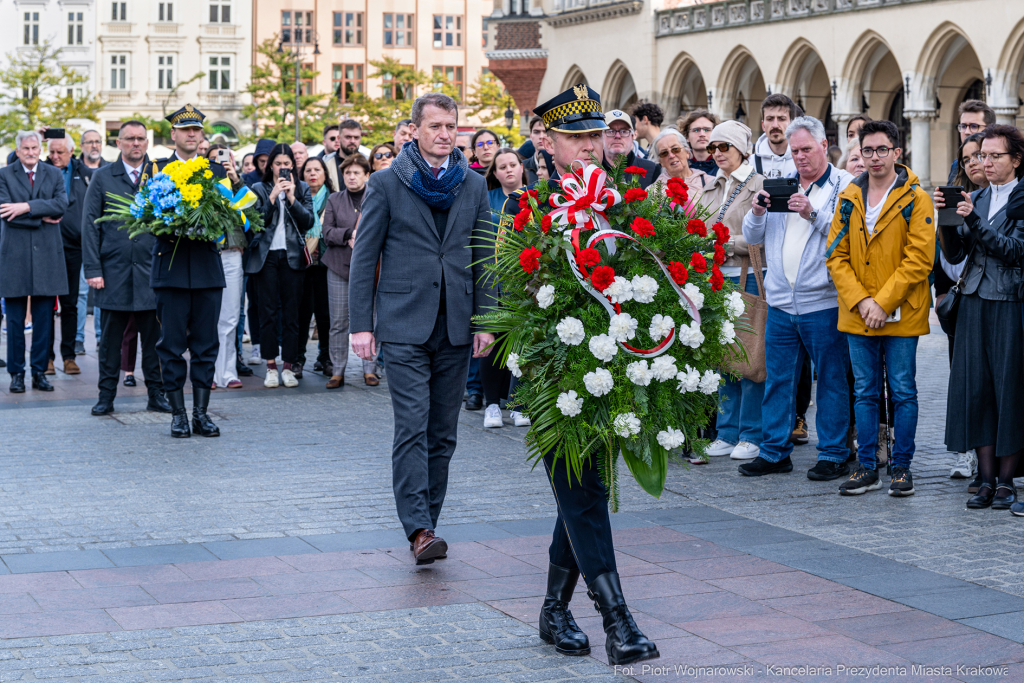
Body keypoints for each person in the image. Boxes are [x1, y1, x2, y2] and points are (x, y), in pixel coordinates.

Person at [498, 84, 659, 667]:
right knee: (585, 490)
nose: (590, 147)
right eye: (577, 137)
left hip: (614, 371)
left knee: (583, 493)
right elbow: (513, 295)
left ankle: (552, 608)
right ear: (549, 140)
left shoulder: (625, 203)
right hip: (556, 374)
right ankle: (618, 621)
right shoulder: (531, 209)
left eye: (596, 135)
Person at [348, 92, 495, 565]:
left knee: (443, 432)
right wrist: (360, 325)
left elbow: (485, 257)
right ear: (414, 130)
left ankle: (428, 520)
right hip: (403, 323)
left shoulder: (471, 184)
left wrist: (486, 321)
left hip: (455, 324)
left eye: (451, 126)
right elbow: (364, 256)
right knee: (412, 425)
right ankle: (418, 529)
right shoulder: (387, 183)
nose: (445, 135)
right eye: (435, 126)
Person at [740, 117, 854, 478]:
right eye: (795, 151)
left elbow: (845, 234)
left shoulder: (845, 184)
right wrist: (757, 211)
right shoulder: (781, 183)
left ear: (824, 144)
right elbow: (752, 235)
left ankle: (834, 453)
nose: (800, 157)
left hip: (823, 301)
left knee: (833, 380)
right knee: (778, 379)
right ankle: (774, 451)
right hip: (780, 301)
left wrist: (811, 212)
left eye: (806, 149)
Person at [827, 119, 934, 497]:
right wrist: (863, 301)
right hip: (859, 313)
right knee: (866, 393)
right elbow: (836, 257)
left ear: (896, 152)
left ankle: (902, 468)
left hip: (901, 311)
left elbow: (919, 259)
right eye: (867, 150)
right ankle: (867, 467)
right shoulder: (848, 197)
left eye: (881, 150)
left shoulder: (916, 197)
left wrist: (883, 302)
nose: (874, 157)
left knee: (903, 391)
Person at [934, 125, 1024, 513]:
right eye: (980, 156)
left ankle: (1006, 481)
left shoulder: (1021, 197)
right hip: (972, 301)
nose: (984, 163)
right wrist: (946, 218)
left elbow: (1014, 251)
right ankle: (984, 480)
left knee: (1008, 391)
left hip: (1008, 302)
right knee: (978, 390)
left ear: (1015, 159)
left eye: (993, 156)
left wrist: (973, 220)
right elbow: (955, 257)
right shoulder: (979, 196)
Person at [152, 105, 231, 437]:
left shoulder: (216, 171)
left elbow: (232, 218)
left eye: (196, 130)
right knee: (170, 345)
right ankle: (177, 414)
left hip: (205, 268)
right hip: (170, 266)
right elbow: (146, 216)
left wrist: (214, 225)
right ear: (173, 134)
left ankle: (201, 412)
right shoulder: (157, 168)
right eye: (184, 130)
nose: (191, 134)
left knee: (205, 344)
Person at [82, 121, 170, 415]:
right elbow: (90, 225)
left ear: (148, 143)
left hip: (152, 273)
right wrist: (93, 268)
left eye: (141, 139)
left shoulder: (160, 176)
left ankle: (156, 394)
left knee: (155, 340)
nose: (136, 143)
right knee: (109, 342)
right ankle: (106, 396)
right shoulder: (103, 177)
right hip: (113, 273)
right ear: (118, 143)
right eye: (130, 139)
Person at [702, 120, 766, 462]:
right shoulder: (712, 185)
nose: (716, 153)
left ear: (742, 149)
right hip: (716, 278)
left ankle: (751, 432)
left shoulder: (759, 184)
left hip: (748, 275)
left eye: (723, 147)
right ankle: (727, 430)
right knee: (723, 355)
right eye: (712, 148)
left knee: (749, 354)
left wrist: (726, 245)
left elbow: (763, 235)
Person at [0, 130, 68, 393]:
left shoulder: (53, 173)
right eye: (25, 148)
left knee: (44, 318)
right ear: (17, 151)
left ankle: (39, 372)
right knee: (15, 319)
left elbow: (62, 205)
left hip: (48, 255)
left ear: (40, 148)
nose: (30, 152)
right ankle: (17, 373)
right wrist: (42, 214)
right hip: (14, 255)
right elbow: (6, 211)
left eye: (34, 147)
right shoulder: (4, 175)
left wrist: (26, 208)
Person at [247, 143, 314, 389]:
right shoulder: (258, 188)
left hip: (292, 256)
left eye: (287, 164)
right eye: (278, 164)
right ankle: (271, 366)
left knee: (291, 314)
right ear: (270, 166)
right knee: (267, 313)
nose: (283, 168)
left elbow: (308, 221)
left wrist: (293, 198)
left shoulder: (303, 187)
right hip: (266, 257)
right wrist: (273, 197)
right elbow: (255, 223)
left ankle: (289, 365)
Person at [942, 132, 988, 483]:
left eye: (980, 155)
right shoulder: (960, 198)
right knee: (968, 383)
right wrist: (946, 218)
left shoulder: (1006, 198)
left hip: (1001, 301)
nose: (974, 163)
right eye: (968, 158)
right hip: (963, 303)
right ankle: (969, 454)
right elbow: (950, 254)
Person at [482, 147, 530, 429]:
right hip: (491, 280)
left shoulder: (535, 197)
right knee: (492, 342)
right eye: (502, 166)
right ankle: (491, 405)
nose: (509, 170)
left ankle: (519, 403)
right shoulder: (486, 199)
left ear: (521, 167)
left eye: (513, 164)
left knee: (522, 343)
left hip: (524, 280)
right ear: (495, 172)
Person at [322, 154, 378, 389]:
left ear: (367, 175)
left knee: (373, 319)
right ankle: (337, 371)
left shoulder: (377, 198)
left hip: (371, 268)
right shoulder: (334, 199)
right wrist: (348, 235)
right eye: (347, 173)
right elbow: (327, 232)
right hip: (338, 267)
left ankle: (370, 369)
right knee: (338, 322)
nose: (351, 177)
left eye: (356, 173)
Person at [45, 133, 90, 377]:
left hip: (74, 247)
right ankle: (47, 358)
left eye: (60, 152)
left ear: (71, 151)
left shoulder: (83, 172)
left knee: (70, 303)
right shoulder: (41, 168)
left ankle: (69, 356)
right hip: (46, 246)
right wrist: (40, 137)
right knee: (46, 305)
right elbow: (14, 159)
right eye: (51, 151)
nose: (54, 156)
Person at [296, 156, 333, 380]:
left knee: (325, 315)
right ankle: (298, 359)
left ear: (324, 174)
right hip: (302, 264)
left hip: (327, 264)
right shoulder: (297, 199)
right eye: (308, 170)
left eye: (317, 170)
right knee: (301, 315)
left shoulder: (334, 199)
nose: (312, 174)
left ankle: (326, 358)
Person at [602, 110, 661, 189]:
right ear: (600, 136)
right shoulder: (590, 169)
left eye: (624, 131)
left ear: (633, 135)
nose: (617, 136)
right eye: (611, 131)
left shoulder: (652, 170)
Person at [651, 129, 710, 202]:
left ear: (687, 152)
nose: (671, 156)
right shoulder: (652, 192)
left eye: (675, 149)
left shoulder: (710, 183)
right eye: (664, 153)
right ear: (660, 162)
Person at [752, 94, 800, 179]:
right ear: (763, 125)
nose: (775, 125)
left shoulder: (802, 160)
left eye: (781, 119)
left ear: (792, 124)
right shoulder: (751, 164)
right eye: (770, 119)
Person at [323, 119, 363, 192]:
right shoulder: (325, 163)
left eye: (356, 137)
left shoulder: (369, 162)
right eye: (348, 137)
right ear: (339, 138)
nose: (352, 141)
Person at [678, 109, 720, 176]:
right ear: (687, 137)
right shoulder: (679, 166)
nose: (702, 134)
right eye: (696, 130)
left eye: (707, 130)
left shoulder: (723, 166)